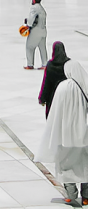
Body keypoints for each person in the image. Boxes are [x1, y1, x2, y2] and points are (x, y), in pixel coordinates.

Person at [35, 60, 88, 206]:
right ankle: (86, 196)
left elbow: (56, 112)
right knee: (85, 165)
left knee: (66, 164)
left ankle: (70, 195)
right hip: (84, 135)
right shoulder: (85, 85)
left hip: (66, 135)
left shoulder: (63, 87)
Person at [39, 41, 70, 118]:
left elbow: (46, 82)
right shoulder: (69, 63)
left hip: (52, 96)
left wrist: (42, 98)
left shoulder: (50, 65)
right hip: (66, 96)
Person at [25, 0, 48, 70]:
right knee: (42, 48)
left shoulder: (34, 8)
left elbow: (31, 19)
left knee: (29, 47)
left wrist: (27, 24)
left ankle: (30, 64)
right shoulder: (42, 8)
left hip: (36, 31)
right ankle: (45, 64)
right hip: (43, 31)